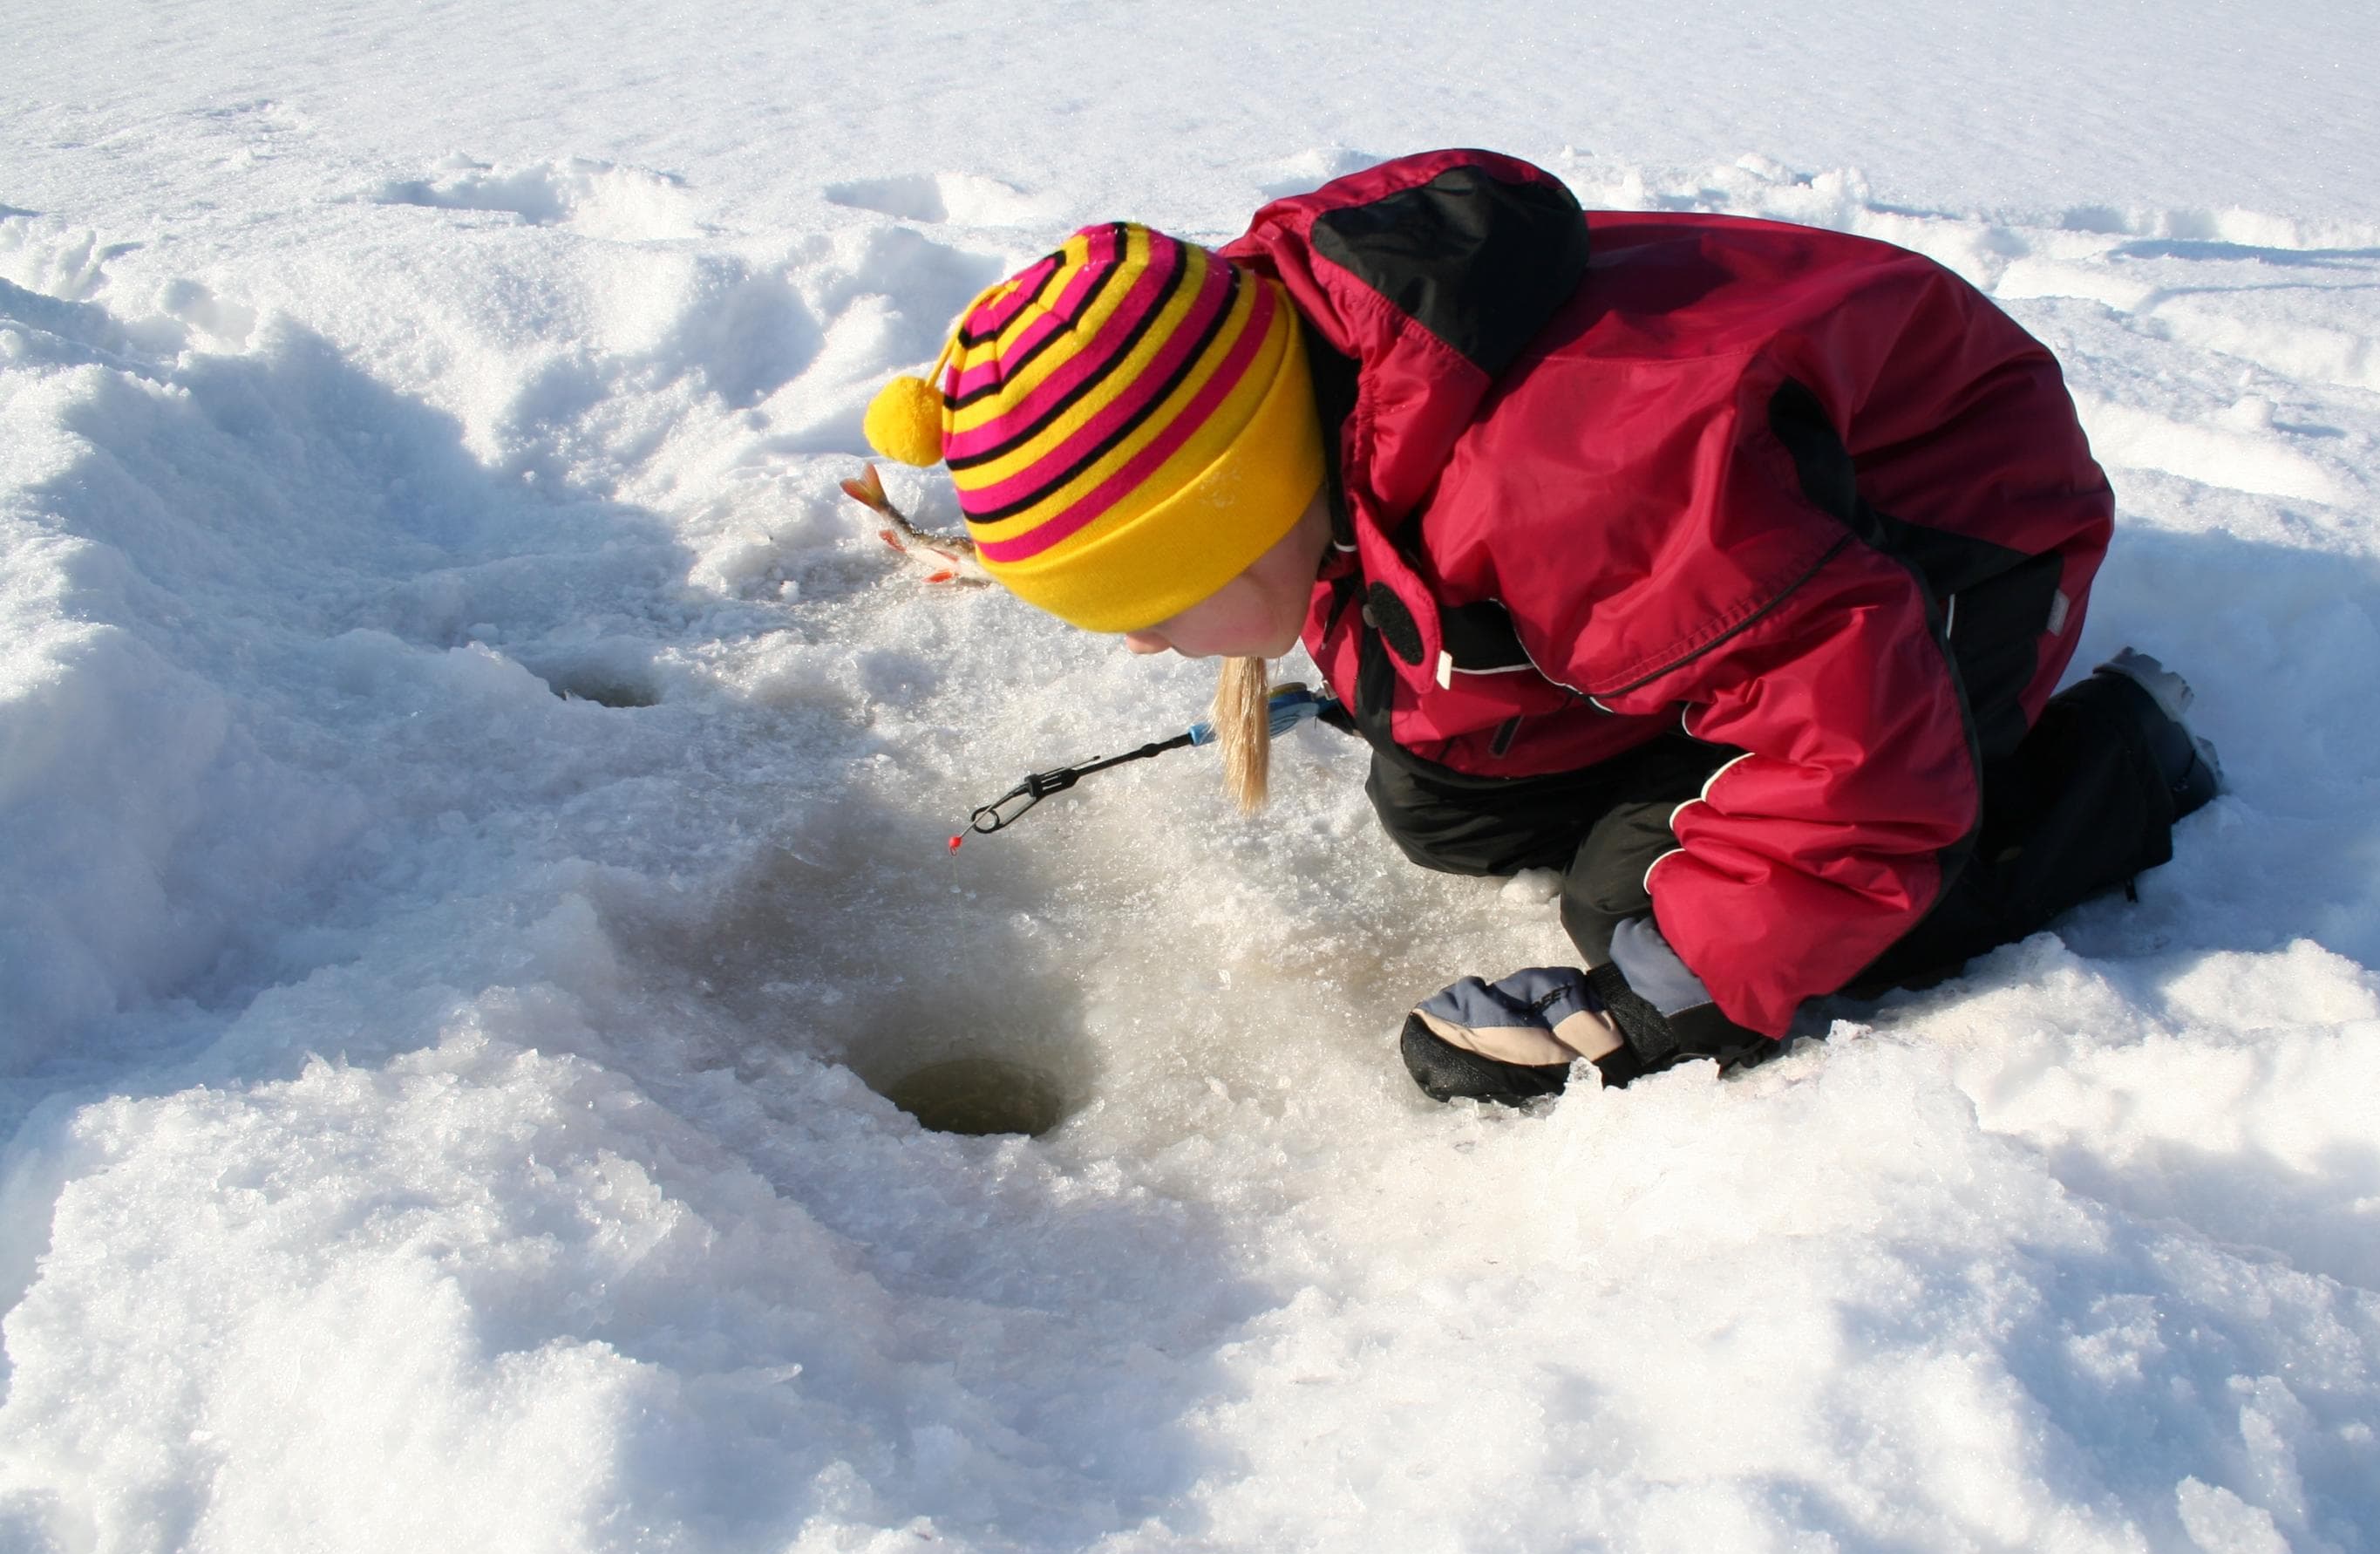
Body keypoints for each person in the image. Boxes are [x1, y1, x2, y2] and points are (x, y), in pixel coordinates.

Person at [860, 148, 2220, 1107]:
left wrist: (1655, 999)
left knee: (1640, 906)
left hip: (1952, 529)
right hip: (1746, 545)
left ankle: (2112, 763)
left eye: (1150, 605)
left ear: (1236, 506)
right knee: (1447, 807)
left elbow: (1856, 735)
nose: (1148, 649)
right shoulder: (1313, 391)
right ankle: (1683, 746)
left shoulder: (1578, 484)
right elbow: (1384, 560)